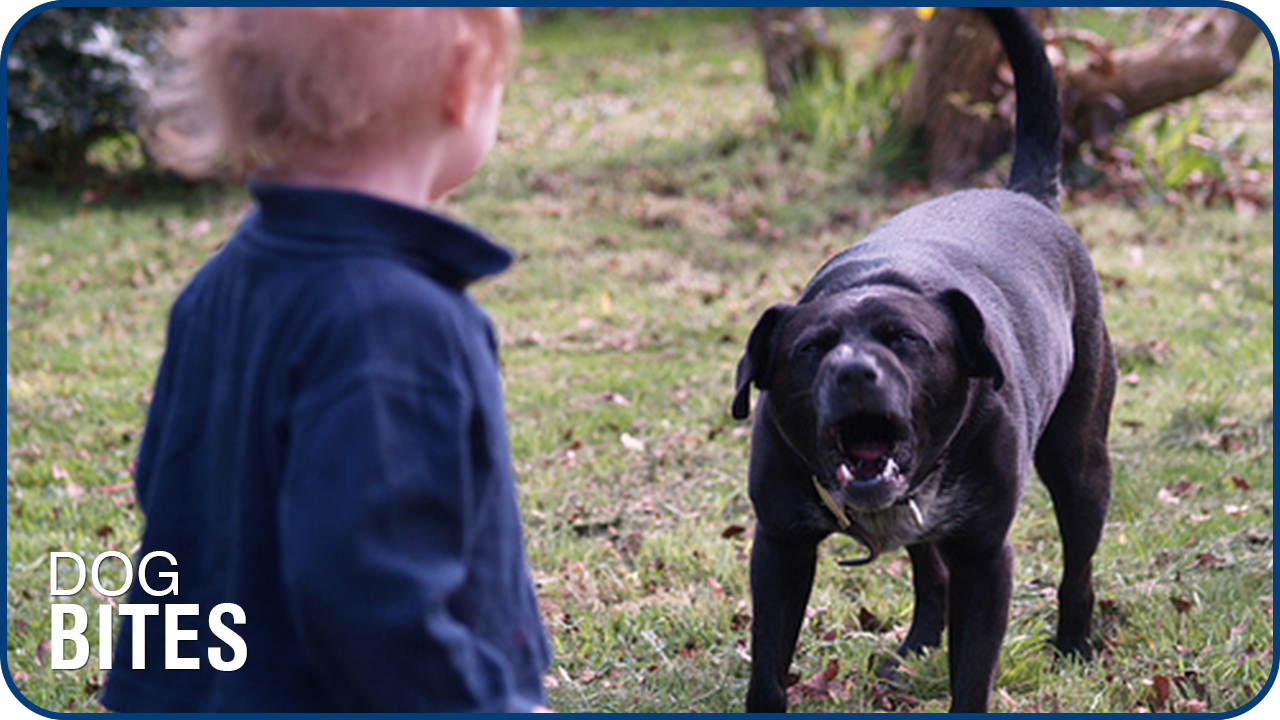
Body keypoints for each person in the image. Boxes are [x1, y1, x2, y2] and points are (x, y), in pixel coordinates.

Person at [100, 7, 551, 712]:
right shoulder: (398, 325)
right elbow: (376, 599)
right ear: (462, 81)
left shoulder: (217, 286)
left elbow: (165, 484)